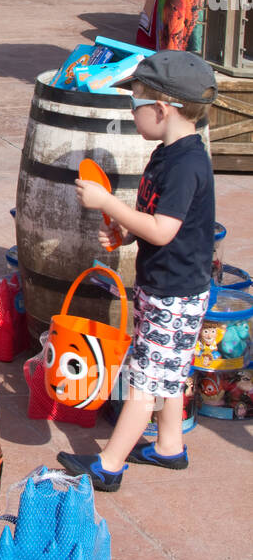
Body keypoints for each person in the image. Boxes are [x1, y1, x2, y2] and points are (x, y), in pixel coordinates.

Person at [58, 50, 217, 492]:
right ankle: (169, 446)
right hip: (163, 284)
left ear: (162, 109)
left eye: (137, 103)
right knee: (165, 369)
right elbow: (153, 221)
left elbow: (164, 232)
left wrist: (109, 204)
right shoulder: (168, 154)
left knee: (144, 381)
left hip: (176, 292)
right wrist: (126, 236)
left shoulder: (186, 165)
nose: (132, 113)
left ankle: (108, 466)